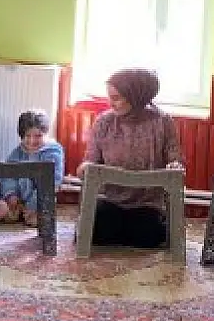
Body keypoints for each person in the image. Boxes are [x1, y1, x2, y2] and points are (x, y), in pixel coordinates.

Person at [79, 68, 184, 249]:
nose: (111, 103)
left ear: (136, 97)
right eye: (110, 97)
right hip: (110, 200)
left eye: (116, 98)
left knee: (147, 235)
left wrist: (175, 165)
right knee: (95, 229)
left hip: (147, 203)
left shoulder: (162, 121)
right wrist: (85, 168)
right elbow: (90, 160)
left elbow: (175, 159)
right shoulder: (104, 122)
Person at [4, 108, 65, 227]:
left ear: (46, 134)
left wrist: (32, 205)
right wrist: (11, 194)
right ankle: (20, 211)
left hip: (41, 197)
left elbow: (52, 182)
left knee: (36, 220)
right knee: (5, 212)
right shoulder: (17, 152)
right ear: (22, 136)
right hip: (20, 197)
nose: (32, 141)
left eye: (38, 136)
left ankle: (33, 213)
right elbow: (8, 175)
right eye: (28, 136)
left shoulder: (53, 152)